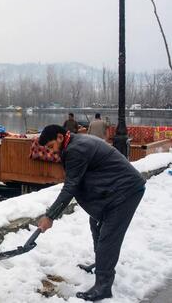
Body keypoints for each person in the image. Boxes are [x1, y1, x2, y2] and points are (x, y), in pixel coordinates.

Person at [37, 125, 145, 301]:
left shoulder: (76, 149)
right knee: (95, 222)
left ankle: (103, 286)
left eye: (50, 146)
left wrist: (50, 216)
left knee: (108, 238)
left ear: (59, 137)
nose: (52, 151)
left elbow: (71, 186)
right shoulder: (74, 142)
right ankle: (101, 263)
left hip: (126, 192)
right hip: (113, 191)